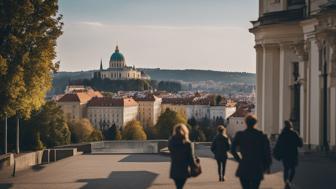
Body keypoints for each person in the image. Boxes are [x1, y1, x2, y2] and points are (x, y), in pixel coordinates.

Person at [231, 114, 272, 189]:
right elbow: (267, 152)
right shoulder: (261, 136)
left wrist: (239, 160)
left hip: (244, 166)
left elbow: (232, 149)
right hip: (257, 167)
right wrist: (267, 166)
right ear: (255, 123)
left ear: (246, 122)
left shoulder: (240, 135)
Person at [274, 120, 303, 188]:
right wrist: (300, 139)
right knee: (293, 168)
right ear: (290, 126)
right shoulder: (294, 133)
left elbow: (278, 145)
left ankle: (286, 182)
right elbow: (300, 144)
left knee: (286, 169)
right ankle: (289, 181)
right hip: (293, 154)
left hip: (285, 154)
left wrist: (277, 153)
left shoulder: (282, 134)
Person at [168, 123, 197, 189]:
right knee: (180, 186)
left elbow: (171, 151)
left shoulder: (171, 141)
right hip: (184, 169)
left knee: (178, 186)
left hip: (174, 168)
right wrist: (195, 166)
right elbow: (191, 157)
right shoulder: (187, 143)